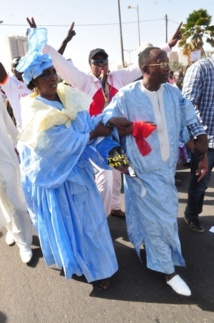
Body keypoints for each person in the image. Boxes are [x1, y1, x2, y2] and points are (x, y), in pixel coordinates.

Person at [26, 17, 183, 219]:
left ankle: (115, 206)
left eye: (104, 60)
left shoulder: (118, 77)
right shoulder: (84, 81)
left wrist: (168, 46)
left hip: (121, 133)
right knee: (107, 179)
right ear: (90, 65)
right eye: (96, 61)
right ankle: (100, 217)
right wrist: (40, 41)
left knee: (119, 174)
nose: (101, 64)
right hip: (98, 137)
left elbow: (141, 67)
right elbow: (61, 63)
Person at [16, 27, 118, 288]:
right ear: (33, 82)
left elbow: (85, 124)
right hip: (59, 181)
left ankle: (98, 265)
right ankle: (93, 270)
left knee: (91, 223)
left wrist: (106, 119)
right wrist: (93, 132)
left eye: (52, 71)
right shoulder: (34, 111)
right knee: (76, 227)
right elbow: (56, 146)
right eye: (44, 74)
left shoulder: (67, 96)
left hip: (80, 173)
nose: (52, 77)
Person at [101, 47, 208, 296]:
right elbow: (106, 122)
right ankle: (168, 270)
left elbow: (186, 119)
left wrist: (199, 145)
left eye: (166, 62)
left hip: (167, 172)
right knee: (161, 222)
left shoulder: (173, 92)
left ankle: (154, 248)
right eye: (161, 63)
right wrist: (125, 137)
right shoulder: (126, 96)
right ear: (145, 69)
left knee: (164, 219)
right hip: (142, 174)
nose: (167, 67)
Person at [182, 56, 214, 233]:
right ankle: (192, 214)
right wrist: (198, 135)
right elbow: (187, 106)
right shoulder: (201, 68)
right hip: (205, 141)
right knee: (200, 182)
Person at [0, 94, 32, 263]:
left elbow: (8, 122)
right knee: (1, 202)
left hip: (4, 157)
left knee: (12, 197)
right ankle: (10, 228)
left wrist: (20, 143)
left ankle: (24, 242)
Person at [0, 57, 31, 131]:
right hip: (24, 131)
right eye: (17, 65)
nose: (20, 67)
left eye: (22, 64)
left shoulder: (35, 81)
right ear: (12, 70)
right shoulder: (10, 85)